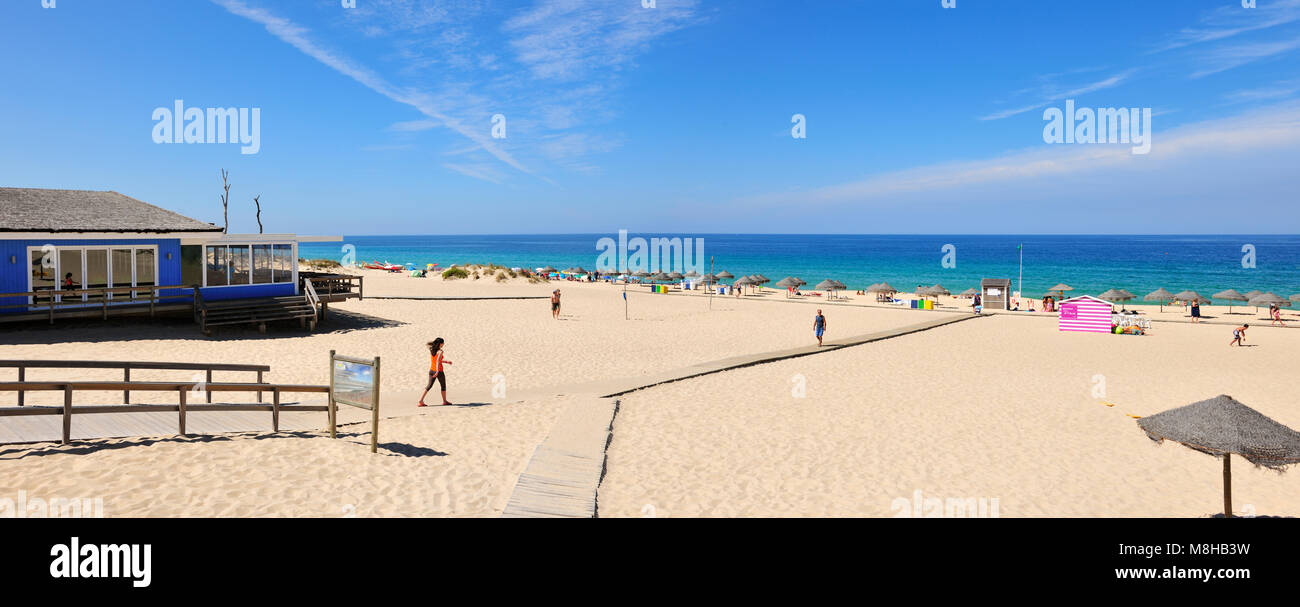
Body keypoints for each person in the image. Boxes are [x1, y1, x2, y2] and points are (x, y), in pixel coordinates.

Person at [418, 338, 453, 406]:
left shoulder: (432, 349)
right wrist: (437, 371)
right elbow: (437, 361)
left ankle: (421, 400)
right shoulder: (440, 351)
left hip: (431, 370)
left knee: (429, 386)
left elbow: (437, 360)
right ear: (440, 344)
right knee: (443, 386)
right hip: (439, 371)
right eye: (443, 343)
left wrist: (446, 362)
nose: (443, 344)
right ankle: (444, 401)